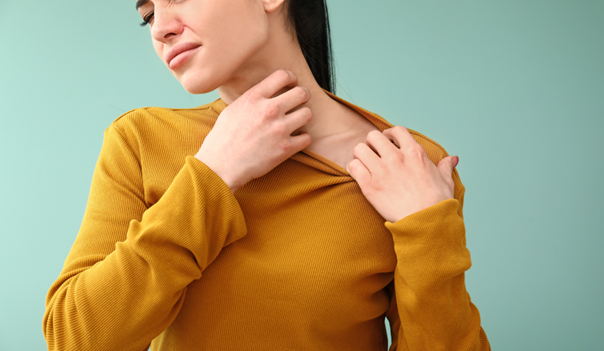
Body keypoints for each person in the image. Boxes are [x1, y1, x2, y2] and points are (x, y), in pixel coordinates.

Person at [43, 0, 490, 350]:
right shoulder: (141, 141)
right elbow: (75, 339)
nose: (161, 28)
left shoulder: (409, 164)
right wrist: (214, 174)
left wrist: (428, 229)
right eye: (148, 15)